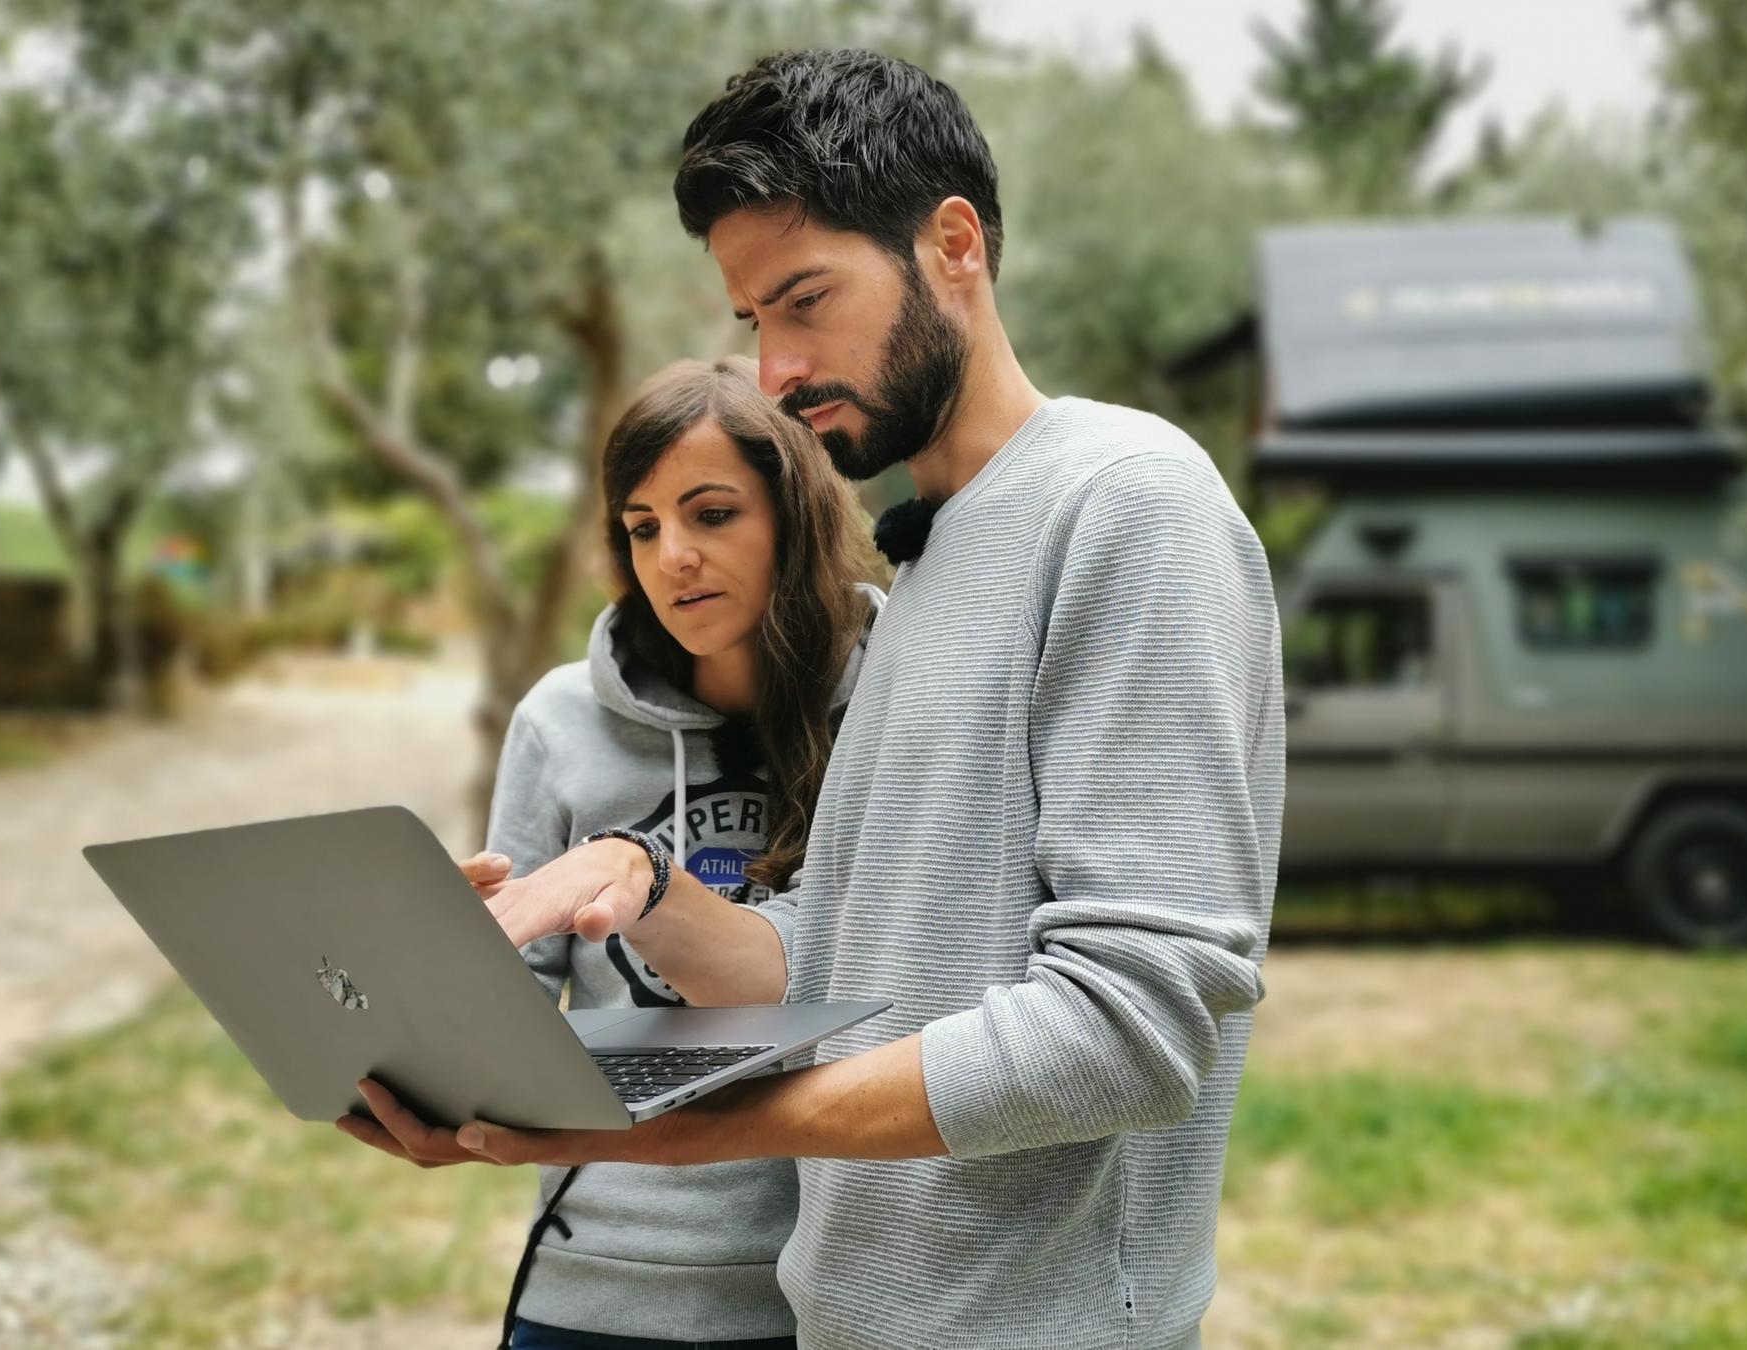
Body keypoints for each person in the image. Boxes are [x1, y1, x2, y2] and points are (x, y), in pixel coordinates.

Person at [346, 48, 1285, 1350]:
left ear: (953, 243)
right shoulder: (932, 559)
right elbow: (827, 962)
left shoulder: (1126, 502)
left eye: (806, 301)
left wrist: (682, 1132)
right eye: (753, 323)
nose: (776, 371)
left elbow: (1129, 1029)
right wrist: (624, 881)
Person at [382, 355, 883, 1350]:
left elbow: (869, 975)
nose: (673, 558)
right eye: (643, 527)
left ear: (797, 512)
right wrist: (428, 984)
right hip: (590, 1287)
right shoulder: (560, 721)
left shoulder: (897, 705)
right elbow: (509, 1017)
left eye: (712, 514)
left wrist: (639, 877)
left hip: (821, 1290)